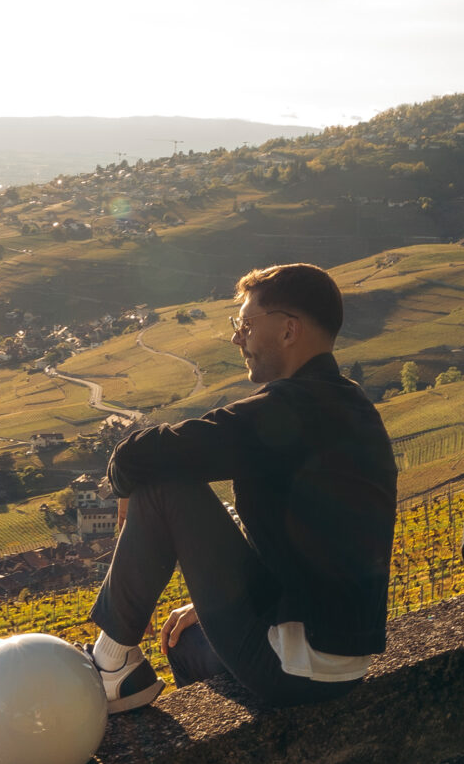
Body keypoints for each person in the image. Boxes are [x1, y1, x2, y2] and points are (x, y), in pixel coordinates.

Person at [87, 263, 397, 714]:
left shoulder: (289, 412)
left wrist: (123, 483)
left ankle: (111, 666)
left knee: (165, 486)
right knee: (185, 639)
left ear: (289, 330)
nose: (237, 338)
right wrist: (219, 601)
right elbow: (314, 546)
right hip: (338, 655)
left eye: (247, 324)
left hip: (297, 659)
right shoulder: (349, 404)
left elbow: (147, 454)